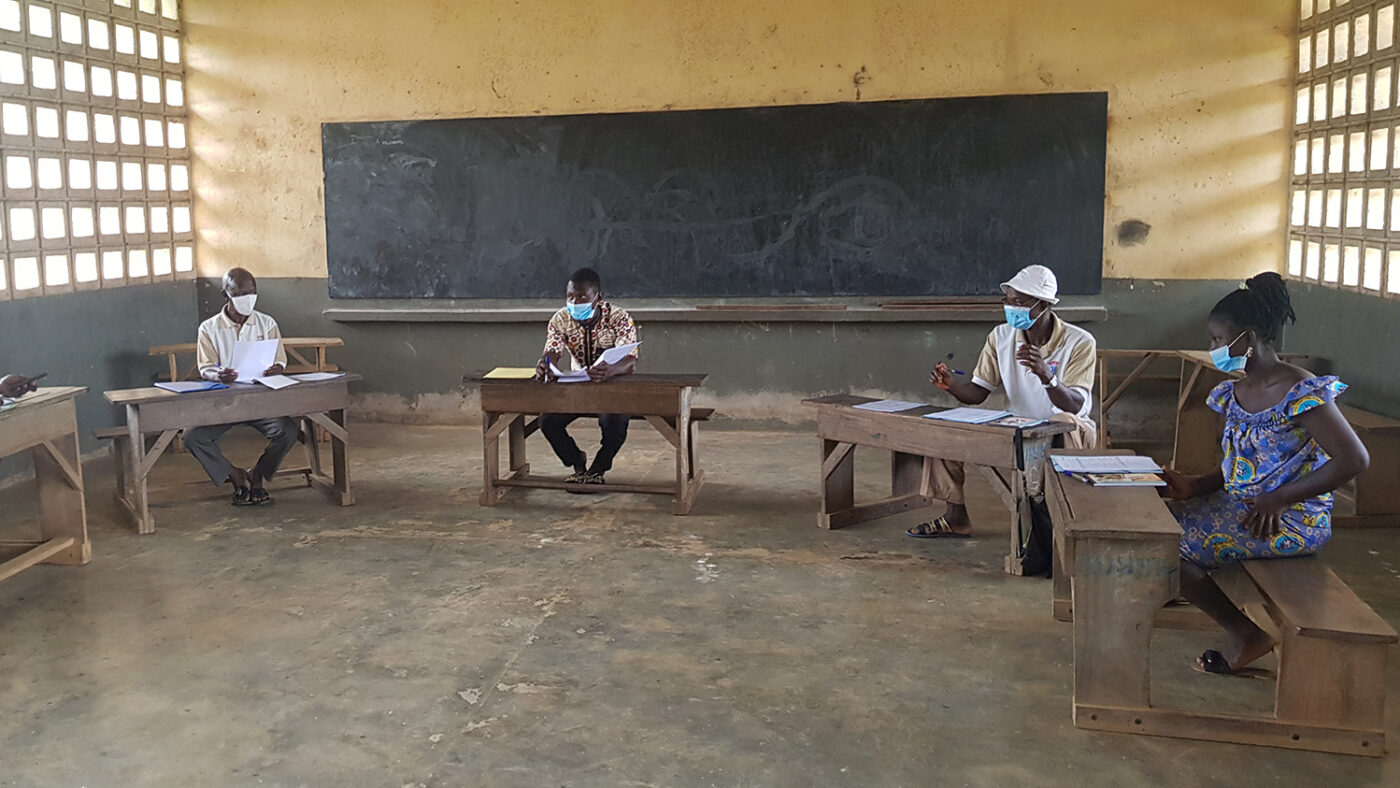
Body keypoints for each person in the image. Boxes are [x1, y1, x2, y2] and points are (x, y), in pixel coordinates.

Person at [1163, 272, 1369, 676]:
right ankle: (1214, 607)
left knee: (1164, 548)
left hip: (1289, 518)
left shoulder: (1299, 391)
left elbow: (1354, 459)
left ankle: (1246, 634)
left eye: (1219, 340)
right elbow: (1239, 466)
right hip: (1247, 507)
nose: (1213, 348)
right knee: (1154, 526)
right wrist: (1196, 486)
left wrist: (1280, 497)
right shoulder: (1237, 391)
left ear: (1250, 339)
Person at [908, 264, 1097, 538]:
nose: (1011, 308)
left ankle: (1057, 526)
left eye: (1019, 302)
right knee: (946, 426)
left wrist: (1048, 377)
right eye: (1007, 301)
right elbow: (978, 391)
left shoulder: (1079, 342)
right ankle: (955, 516)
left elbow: (1075, 405)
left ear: (1042, 305)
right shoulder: (1001, 336)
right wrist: (951, 386)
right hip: (1017, 426)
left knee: (1062, 421)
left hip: (1067, 429)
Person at [184, 267, 296, 506]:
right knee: (193, 437)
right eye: (241, 293)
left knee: (288, 431)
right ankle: (233, 474)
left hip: (261, 400)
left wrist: (278, 368)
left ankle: (258, 473)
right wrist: (219, 375)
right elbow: (205, 367)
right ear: (226, 295)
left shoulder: (266, 323)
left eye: (252, 292)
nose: (248, 298)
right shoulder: (209, 328)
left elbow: (280, 359)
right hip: (225, 402)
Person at [532, 267, 639, 485]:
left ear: (598, 297)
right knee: (548, 422)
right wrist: (546, 364)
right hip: (578, 385)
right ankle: (576, 461)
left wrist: (611, 370)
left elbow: (630, 358)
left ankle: (597, 469)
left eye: (582, 297)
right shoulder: (560, 319)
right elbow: (552, 350)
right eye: (570, 296)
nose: (575, 302)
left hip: (614, 385)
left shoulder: (619, 318)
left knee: (614, 423)